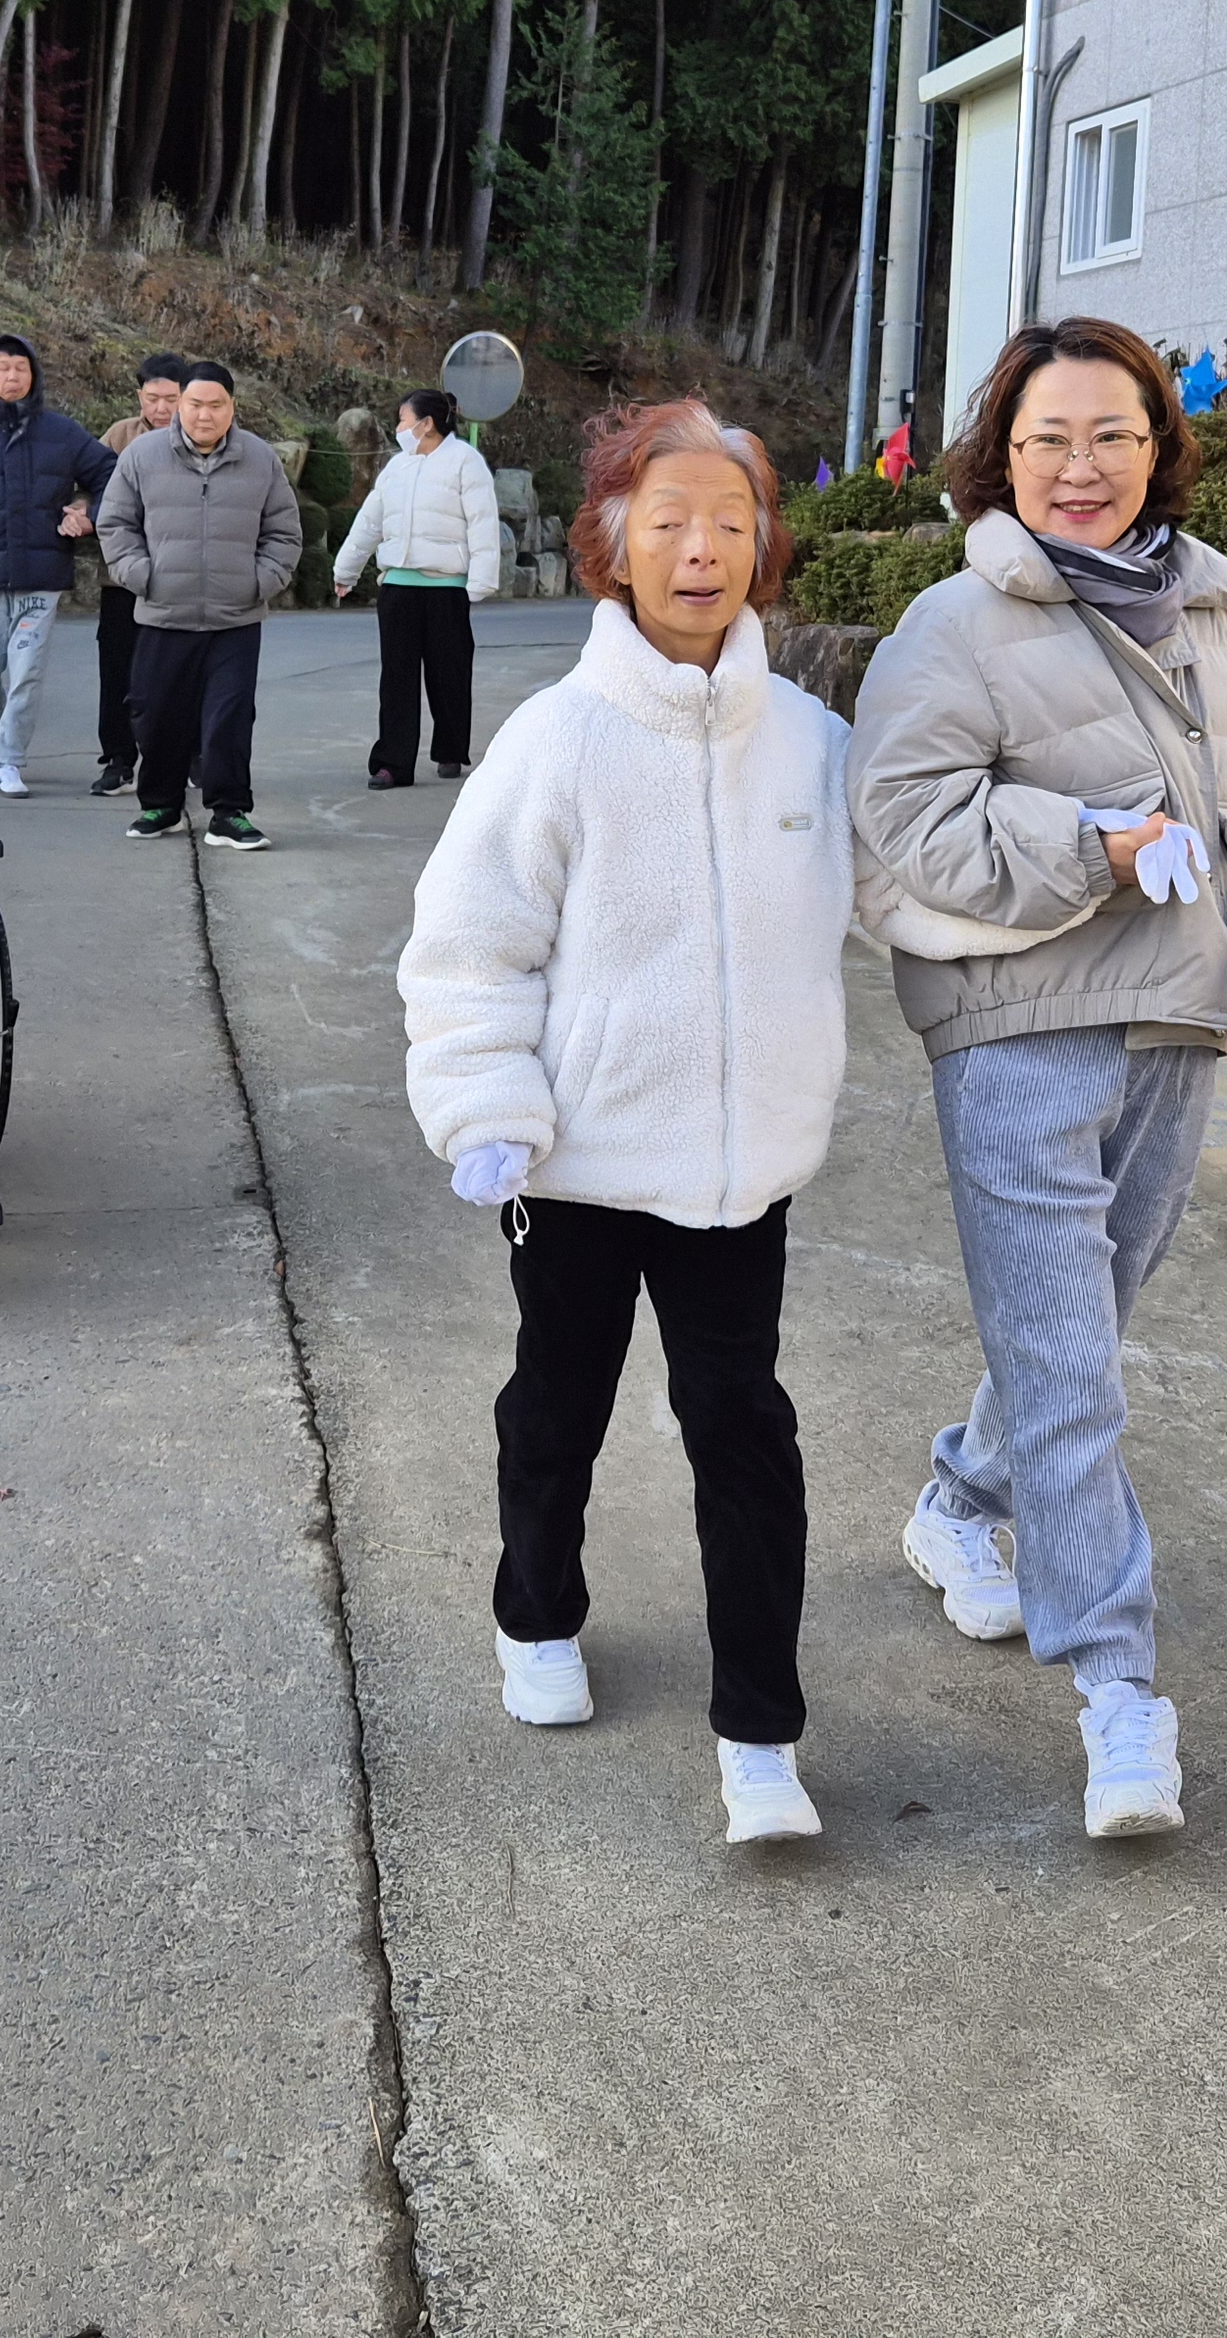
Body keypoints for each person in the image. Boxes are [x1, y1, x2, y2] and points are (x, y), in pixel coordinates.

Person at [847, 316, 1227, 1840]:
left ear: (1160, 448)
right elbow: (906, 819)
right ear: (998, 458)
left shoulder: (1219, 622)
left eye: (1112, 437)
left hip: (1177, 1021)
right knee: (1074, 1366)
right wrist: (1089, 845)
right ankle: (1119, 1690)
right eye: (1048, 441)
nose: (1080, 468)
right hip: (1014, 1020)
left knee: (1084, 1321)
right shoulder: (953, 625)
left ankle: (963, 1500)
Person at [400, 400, 850, 1846]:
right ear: (614, 545)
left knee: (742, 1429)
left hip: (738, 1174)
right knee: (558, 1405)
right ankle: (536, 1612)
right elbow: (468, 943)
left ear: (763, 545)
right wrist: (485, 1104)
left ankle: (761, 1735)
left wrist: (1085, 857)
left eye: (729, 521)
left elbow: (927, 877)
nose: (700, 550)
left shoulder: (814, 745)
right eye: (668, 523)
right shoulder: (558, 738)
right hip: (575, 1164)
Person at [96, 357, 299, 852]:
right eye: (194, 404)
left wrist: (261, 581)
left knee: (229, 717)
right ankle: (160, 805)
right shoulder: (142, 456)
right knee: (156, 714)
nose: (204, 415)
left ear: (233, 408)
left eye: (216, 405)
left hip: (236, 618)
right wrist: (141, 575)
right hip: (163, 614)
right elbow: (115, 524)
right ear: (179, 405)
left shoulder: (260, 459)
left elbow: (284, 531)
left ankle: (229, 813)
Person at [0, 332, 116, 799]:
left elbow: (112, 475)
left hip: (41, 576)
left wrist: (89, 514)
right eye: (4, 367)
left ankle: (10, 760)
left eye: (22, 368)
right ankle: (0, 745)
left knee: (26, 673)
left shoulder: (63, 434)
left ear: (33, 376)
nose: (13, 376)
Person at [333, 385, 500, 788]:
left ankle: (450, 749)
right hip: (398, 588)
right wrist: (345, 570)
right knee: (397, 678)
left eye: (403, 419)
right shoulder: (396, 467)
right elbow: (369, 522)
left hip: (447, 588)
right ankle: (393, 763)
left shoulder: (465, 462)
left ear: (426, 424)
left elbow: (482, 522)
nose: (398, 428)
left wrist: (480, 582)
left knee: (449, 674)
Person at [88, 353, 193, 795]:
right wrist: (80, 510)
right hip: (123, 577)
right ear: (139, 396)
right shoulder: (119, 436)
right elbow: (89, 485)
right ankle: (118, 758)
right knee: (118, 672)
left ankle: (188, 756)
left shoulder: (202, 437)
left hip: (181, 578)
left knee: (180, 673)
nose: (161, 408)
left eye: (171, 398)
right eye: (152, 398)